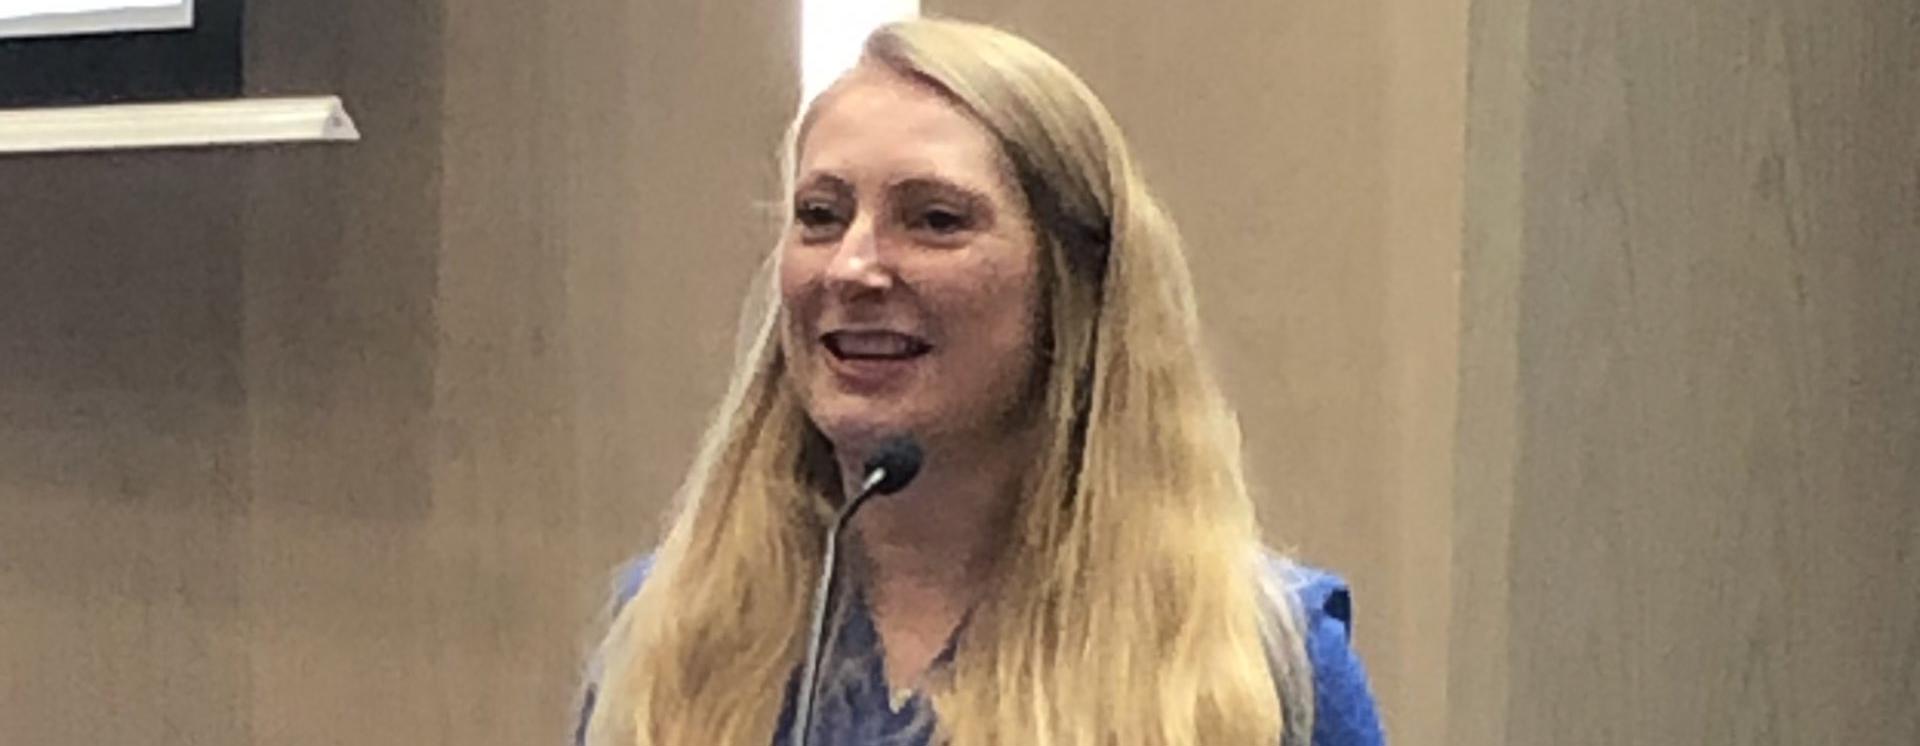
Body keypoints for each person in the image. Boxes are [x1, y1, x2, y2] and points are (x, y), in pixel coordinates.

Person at [577, 17, 1384, 746]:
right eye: (820, 215)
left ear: (1071, 286)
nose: (853, 266)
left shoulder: (1258, 665)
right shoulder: (674, 637)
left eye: (935, 220)